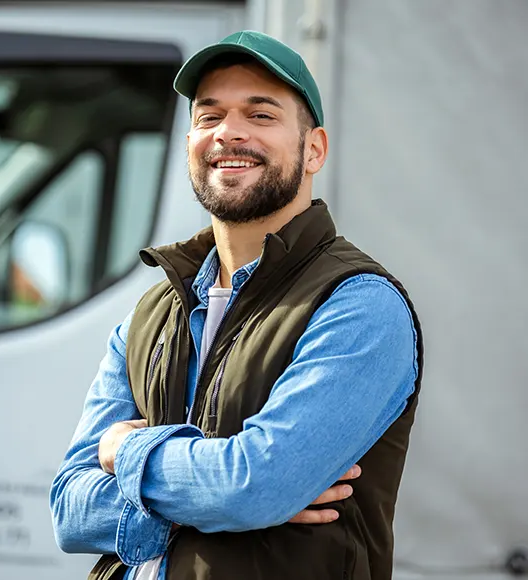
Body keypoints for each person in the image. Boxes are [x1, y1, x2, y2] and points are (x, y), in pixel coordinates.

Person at [50, 30, 423, 580]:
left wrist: (124, 454)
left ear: (314, 148)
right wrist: (214, 501)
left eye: (261, 114)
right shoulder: (152, 314)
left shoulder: (359, 305)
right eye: (209, 115)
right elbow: (70, 511)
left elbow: (254, 486)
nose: (229, 132)